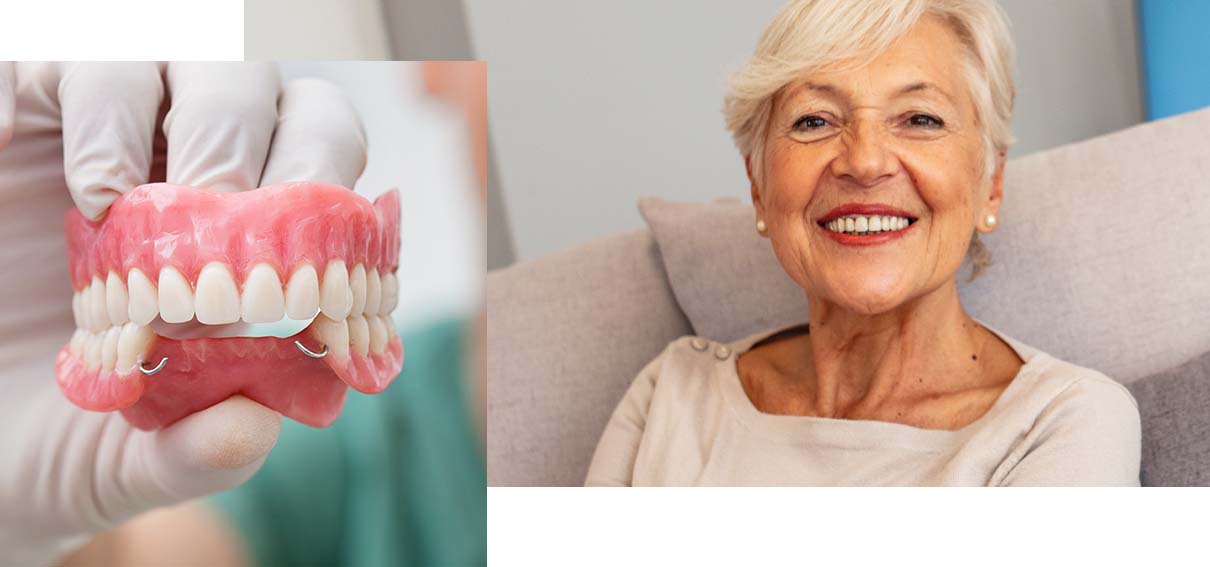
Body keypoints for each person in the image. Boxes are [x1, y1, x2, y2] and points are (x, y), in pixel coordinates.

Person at [585, 0, 1141, 486]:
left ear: (989, 183)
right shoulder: (671, 395)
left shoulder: (1062, 423)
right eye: (814, 121)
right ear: (757, 185)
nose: (865, 161)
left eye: (920, 118)